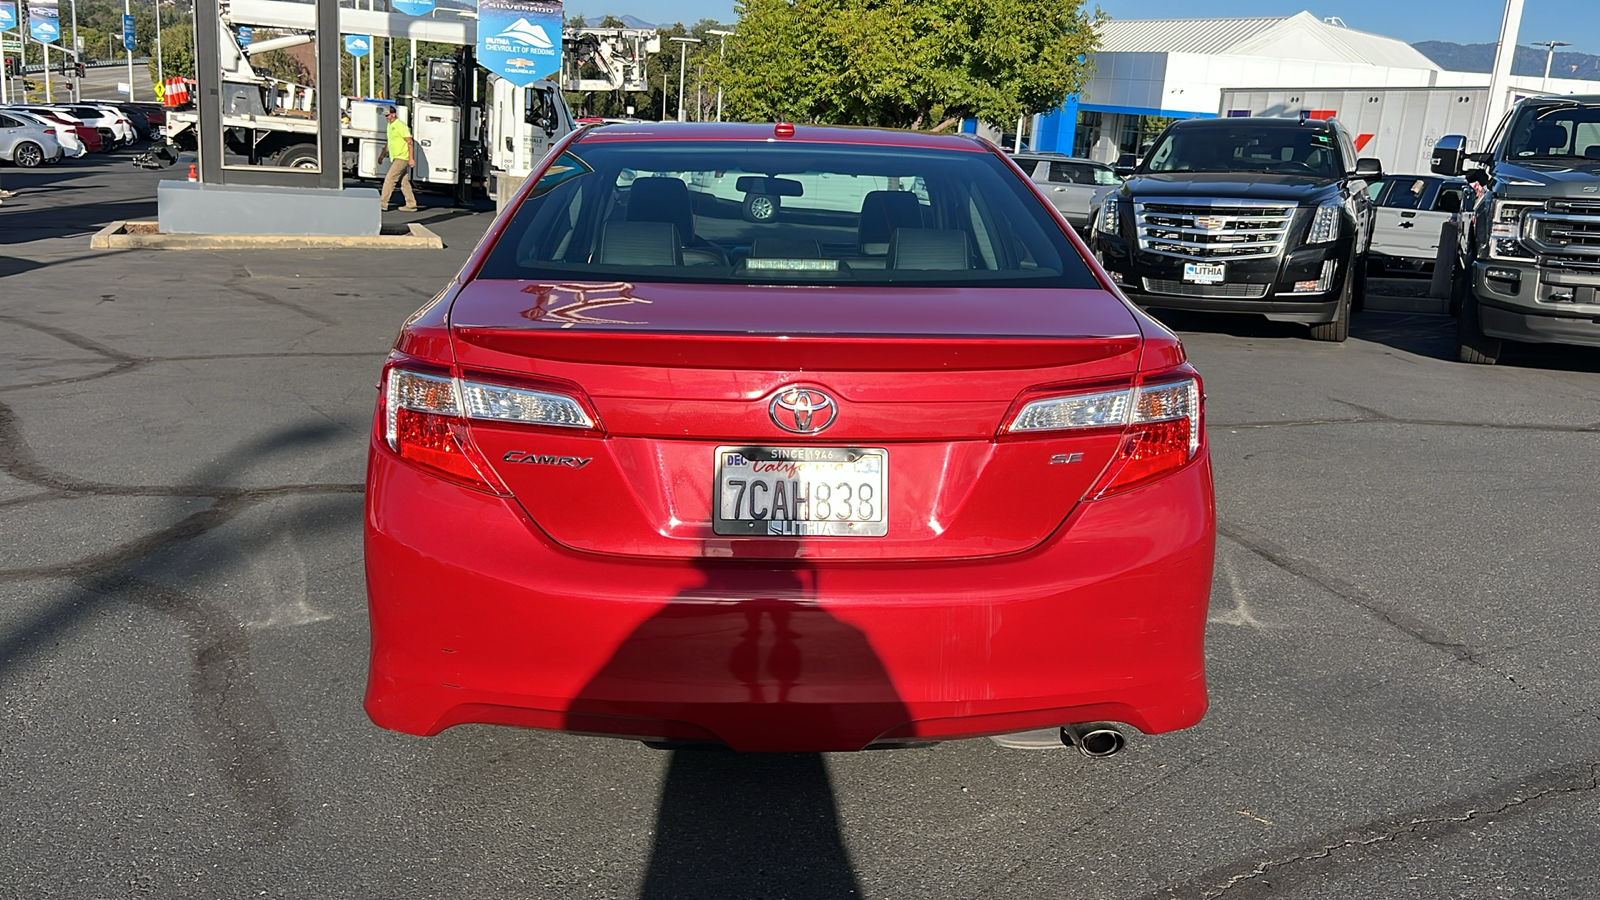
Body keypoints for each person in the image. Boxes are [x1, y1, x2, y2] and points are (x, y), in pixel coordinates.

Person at [380, 106, 419, 212]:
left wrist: (411, 158)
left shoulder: (401, 126)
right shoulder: (390, 125)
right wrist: (382, 155)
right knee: (403, 182)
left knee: (390, 179)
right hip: (397, 157)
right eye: (385, 116)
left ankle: (383, 203)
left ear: (393, 114)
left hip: (402, 157)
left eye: (387, 115)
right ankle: (411, 204)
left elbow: (410, 142)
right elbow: (389, 142)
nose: (386, 117)